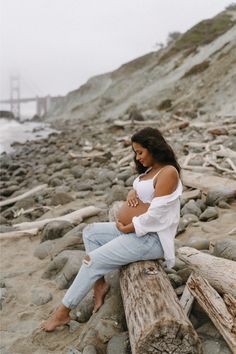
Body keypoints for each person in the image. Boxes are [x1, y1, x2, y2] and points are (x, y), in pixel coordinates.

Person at [41, 127, 182, 332]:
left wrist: (129, 227)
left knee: (92, 260)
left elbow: (157, 214)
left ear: (153, 148)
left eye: (140, 152)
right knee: (90, 232)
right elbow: (143, 191)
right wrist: (131, 192)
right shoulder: (151, 172)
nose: (137, 157)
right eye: (135, 152)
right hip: (135, 231)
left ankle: (62, 313)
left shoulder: (168, 172)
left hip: (151, 239)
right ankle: (99, 284)